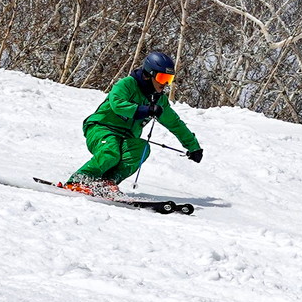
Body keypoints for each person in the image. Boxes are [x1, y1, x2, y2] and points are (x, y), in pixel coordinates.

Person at [66, 50, 203, 197]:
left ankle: (107, 182)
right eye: (162, 78)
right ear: (149, 74)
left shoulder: (159, 100)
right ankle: (79, 180)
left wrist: (193, 147)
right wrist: (145, 110)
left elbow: (175, 124)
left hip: (126, 137)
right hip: (101, 128)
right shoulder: (127, 84)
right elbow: (117, 104)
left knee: (141, 148)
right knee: (110, 152)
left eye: (168, 79)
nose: (165, 84)